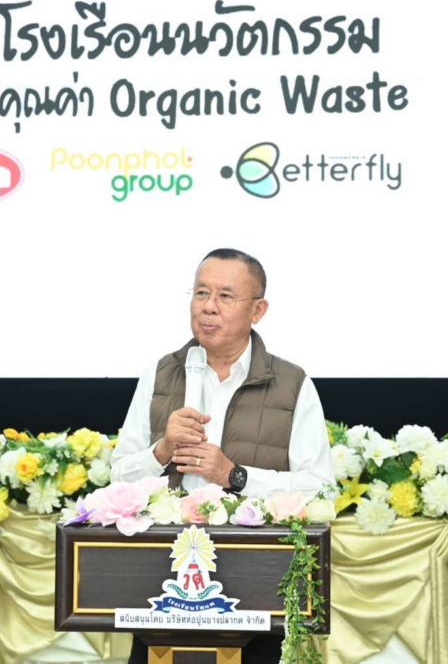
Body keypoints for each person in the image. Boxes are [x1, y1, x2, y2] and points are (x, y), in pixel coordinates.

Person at [111, 248, 335, 663]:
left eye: (225, 296)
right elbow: (117, 479)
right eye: (201, 293)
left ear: (258, 310)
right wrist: (162, 450)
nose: (208, 307)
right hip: (162, 581)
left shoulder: (292, 384)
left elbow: (320, 489)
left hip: (253, 581)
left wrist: (235, 476)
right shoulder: (160, 374)